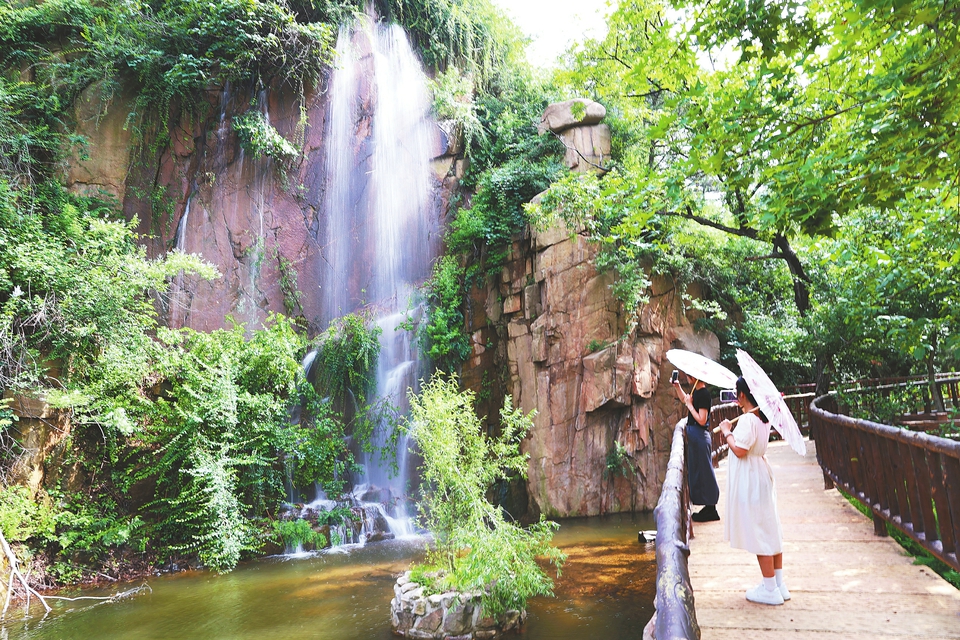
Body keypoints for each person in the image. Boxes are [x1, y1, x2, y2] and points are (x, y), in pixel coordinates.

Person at [717, 376, 789, 606]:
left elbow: (739, 450)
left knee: (760, 531)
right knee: (770, 527)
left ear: (742, 395)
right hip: (761, 474)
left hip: (751, 479)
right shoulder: (762, 419)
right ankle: (777, 583)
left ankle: (769, 588)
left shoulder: (748, 420)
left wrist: (727, 431)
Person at [672, 372, 720, 522]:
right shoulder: (696, 392)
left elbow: (701, 419)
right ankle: (707, 507)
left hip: (700, 436)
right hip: (696, 438)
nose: (686, 378)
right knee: (699, 472)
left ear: (694, 377)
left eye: (688, 376)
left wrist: (690, 405)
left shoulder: (704, 394)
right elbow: (684, 399)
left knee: (705, 472)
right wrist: (677, 386)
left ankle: (711, 508)